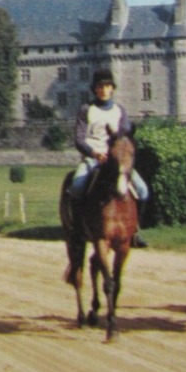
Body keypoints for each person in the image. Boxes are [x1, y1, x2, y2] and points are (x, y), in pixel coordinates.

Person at [68, 68, 149, 247]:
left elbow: (125, 137)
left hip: (116, 161)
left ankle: (135, 230)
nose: (104, 90)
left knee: (143, 190)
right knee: (77, 185)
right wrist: (94, 152)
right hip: (93, 159)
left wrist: (119, 154)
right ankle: (78, 227)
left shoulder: (120, 110)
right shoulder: (86, 109)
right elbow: (79, 139)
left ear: (112, 88)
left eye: (107, 86)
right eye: (100, 86)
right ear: (94, 89)